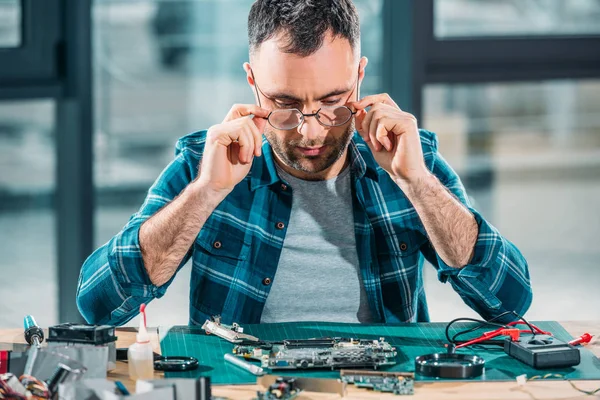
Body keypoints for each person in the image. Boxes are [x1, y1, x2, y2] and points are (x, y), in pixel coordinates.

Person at [77, 0, 532, 326]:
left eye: (334, 102)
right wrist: (203, 195)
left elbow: (508, 303)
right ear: (252, 81)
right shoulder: (205, 161)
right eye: (284, 103)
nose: (310, 131)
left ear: (360, 76)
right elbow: (99, 307)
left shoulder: (410, 160)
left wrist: (417, 184)